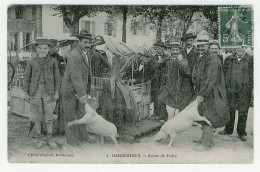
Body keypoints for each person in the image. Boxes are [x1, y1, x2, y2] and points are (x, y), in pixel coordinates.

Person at [61, 30, 102, 146]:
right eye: (85, 42)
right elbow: (76, 77)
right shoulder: (75, 55)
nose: (88, 45)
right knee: (70, 116)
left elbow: (85, 75)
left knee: (81, 115)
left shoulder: (84, 53)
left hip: (79, 91)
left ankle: (83, 137)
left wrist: (85, 92)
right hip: (70, 91)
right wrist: (83, 95)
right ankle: (72, 140)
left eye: (89, 42)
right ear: (79, 42)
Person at [192, 35, 230, 151]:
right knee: (203, 115)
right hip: (205, 91)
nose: (200, 48)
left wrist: (202, 93)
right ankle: (205, 138)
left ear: (208, 46)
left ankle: (207, 144)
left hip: (210, 93)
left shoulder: (212, 58)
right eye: (198, 46)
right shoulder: (202, 57)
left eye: (202, 46)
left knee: (208, 116)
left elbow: (210, 78)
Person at [23, 37, 60, 149]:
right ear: (36, 49)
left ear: (49, 49)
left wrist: (56, 92)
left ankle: (50, 138)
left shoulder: (53, 61)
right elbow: (26, 78)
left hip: (49, 92)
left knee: (49, 115)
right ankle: (38, 139)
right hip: (35, 91)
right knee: (37, 115)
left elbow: (57, 77)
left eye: (45, 48)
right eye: (40, 48)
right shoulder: (31, 61)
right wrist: (26, 92)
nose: (42, 50)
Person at [218, 46, 253, 141]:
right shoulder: (229, 59)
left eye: (242, 47)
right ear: (234, 48)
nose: (240, 49)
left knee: (243, 111)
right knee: (230, 110)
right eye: (237, 47)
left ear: (246, 48)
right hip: (231, 90)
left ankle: (241, 132)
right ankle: (228, 129)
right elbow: (224, 73)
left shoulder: (251, 59)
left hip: (244, 91)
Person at [158, 42, 193, 119]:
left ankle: (181, 119)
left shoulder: (184, 60)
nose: (175, 51)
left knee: (182, 104)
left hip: (179, 86)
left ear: (179, 51)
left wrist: (180, 62)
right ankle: (162, 117)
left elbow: (187, 72)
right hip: (168, 85)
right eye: (173, 49)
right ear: (170, 50)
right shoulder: (167, 60)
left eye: (176, 49)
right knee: (160, 99)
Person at [49, 39, 67, 135]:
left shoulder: (60, 58)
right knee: (52, 109)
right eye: (57, 46)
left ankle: (60, 129)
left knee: (60, 108)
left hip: (60, 86)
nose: (59, 48)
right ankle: (51, 130)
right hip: (51, 87)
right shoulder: (48, 59)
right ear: (51, 47)